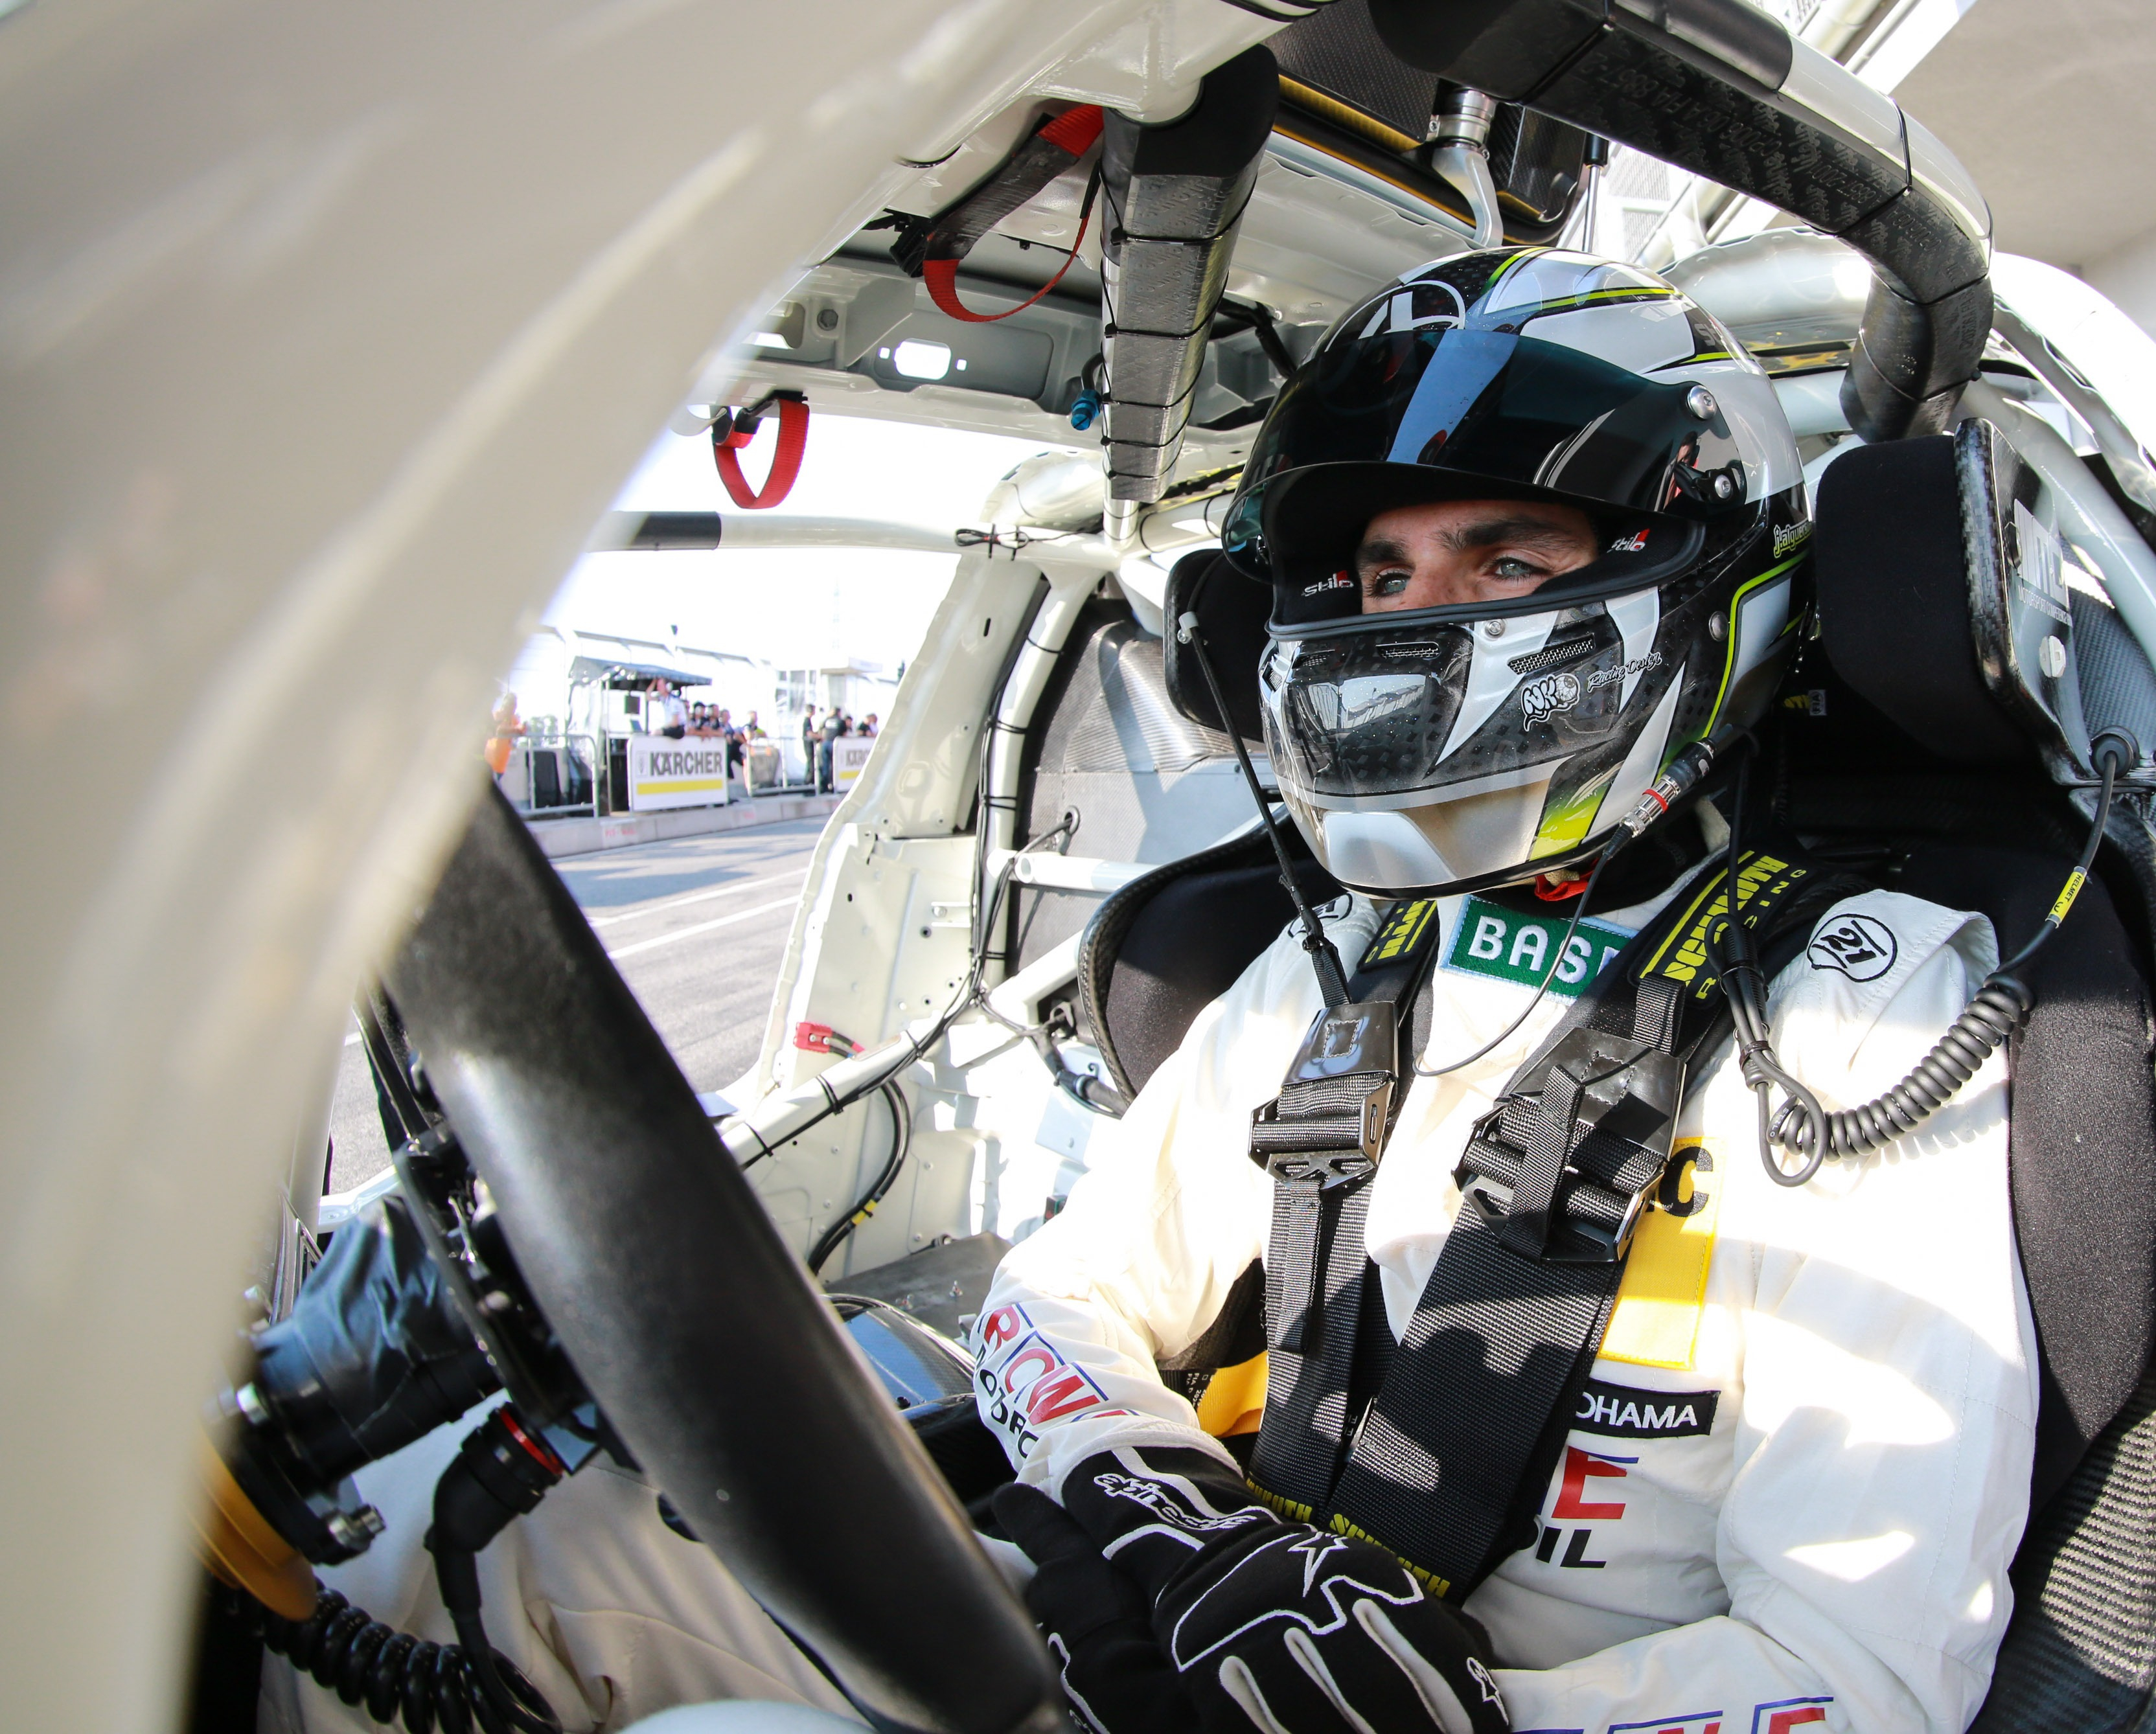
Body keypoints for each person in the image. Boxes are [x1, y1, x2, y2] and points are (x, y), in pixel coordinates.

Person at [266, 253, 2033, 1734]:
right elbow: (1058, 1299)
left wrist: (1427, 1712)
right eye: (1385, 579)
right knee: (518, 1561)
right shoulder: (1343, 963)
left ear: (1697, 584)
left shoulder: (1862, 1032)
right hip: (1171, 1623)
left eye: (1509, 566)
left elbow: (1856, 1678)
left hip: (1492, 1705)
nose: (1421, 634)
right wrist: (1161, 1510)